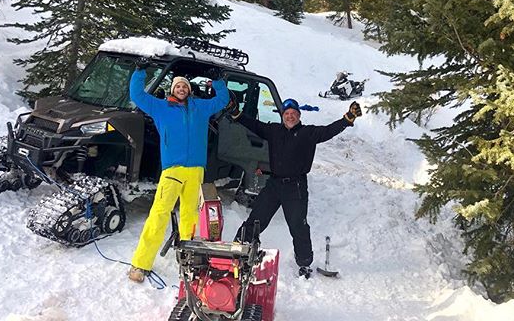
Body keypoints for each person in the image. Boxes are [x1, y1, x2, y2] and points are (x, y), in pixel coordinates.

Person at [231, 97, 362, 278]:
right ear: (282, 116)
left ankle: (305, 263)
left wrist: (347, 119)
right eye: (287, 114)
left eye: (293, 114)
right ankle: (239, 248)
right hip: (274, 184)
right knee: (256, 218)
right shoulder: (274, 130)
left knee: (298, 226)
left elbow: (328, 131)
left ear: (299, 116)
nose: (290, 116)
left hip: (296, 187)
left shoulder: (308, 133)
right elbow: (254, 125)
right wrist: (236, 114)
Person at [127, 58, 229, 282]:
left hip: (195, 171)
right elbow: (137, 96)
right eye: (178, 86)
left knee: (190, 216)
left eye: (185, 86)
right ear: (173, 89)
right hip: (172, 170)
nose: (182, 89)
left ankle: (189, 262)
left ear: (189, 90)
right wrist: (139, 71)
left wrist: (218, 80)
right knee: (159, 214)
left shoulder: (200, 108)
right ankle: (140, 264)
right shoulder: (161, 107)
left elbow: (222, 100)